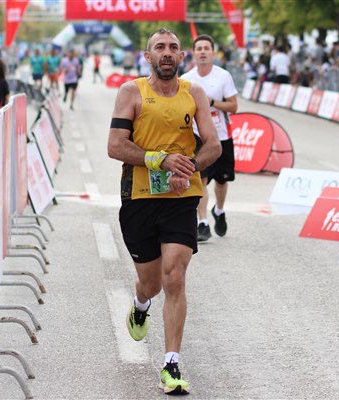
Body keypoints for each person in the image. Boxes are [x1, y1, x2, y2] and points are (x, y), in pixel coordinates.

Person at [107, 28, 221, 395]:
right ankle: (140, 304)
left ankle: (171, 364)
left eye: (173, 47)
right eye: (160, 47)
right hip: (139, 198)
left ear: (181, 56)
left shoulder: (194, 93)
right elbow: (115, 146)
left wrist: (188, 167)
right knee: (152, 284)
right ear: (148, 56)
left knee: (175, 276)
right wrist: (159, 160)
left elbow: (214, 145)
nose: (167, 52)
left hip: (181, 197)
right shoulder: (131, 92)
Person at [181, 34, 238, 242]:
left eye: (206, 48)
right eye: (199, 48)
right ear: (194, 53)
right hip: (198, 137)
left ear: (213, 53)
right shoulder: (186, 79)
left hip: (221, 135)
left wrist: (211, 102)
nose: (203, 52)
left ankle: (219, 211)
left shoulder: (223, 76)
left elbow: (233, 106)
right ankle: (203, 223)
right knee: (200, 178)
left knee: (222, 181)